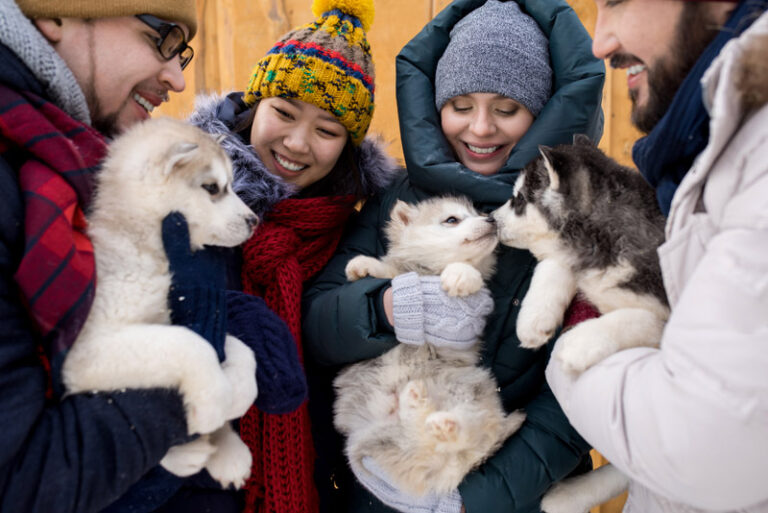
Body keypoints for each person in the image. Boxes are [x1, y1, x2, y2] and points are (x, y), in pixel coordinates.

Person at [302, 1, 605, 512]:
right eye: (460, 106)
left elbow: (581, 392)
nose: (480, 128)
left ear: (544, 110)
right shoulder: (399, 196)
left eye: (506, 109)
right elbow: (315, 320)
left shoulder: (584, 214)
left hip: (506, 492)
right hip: (381, 480)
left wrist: (470, 501)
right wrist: (383, 308)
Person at [0, 1, 250, 512]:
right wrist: (193, 363)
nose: (178, 79)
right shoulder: (19, 177)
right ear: (56, 15)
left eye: (183, 52)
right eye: (160, 38)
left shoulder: (69, 154)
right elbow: (24, 481)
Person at [545, 0, 768, 511]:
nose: (601, 42)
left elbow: (704, 441)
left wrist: (567, 355)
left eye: (618, 3)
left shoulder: (756, 156)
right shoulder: (710, 149)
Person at [187, 1, 399, 512]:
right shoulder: (186, 197)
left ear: (347, 146)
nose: (297, 143)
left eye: (327, 130)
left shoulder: (352, 236)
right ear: (254, 105)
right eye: (283, 112)